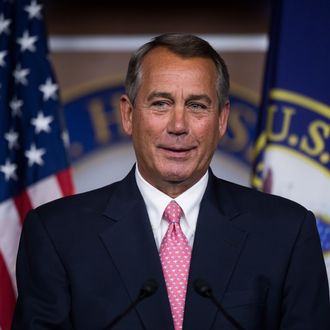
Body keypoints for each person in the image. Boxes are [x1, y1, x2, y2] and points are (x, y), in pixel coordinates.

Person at [12, 33, 330, 330]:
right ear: (128, 115)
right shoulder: (56, 233)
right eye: (160, 103)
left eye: (197, 105)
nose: (178, 125)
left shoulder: (287, 231)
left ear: (221, 119)